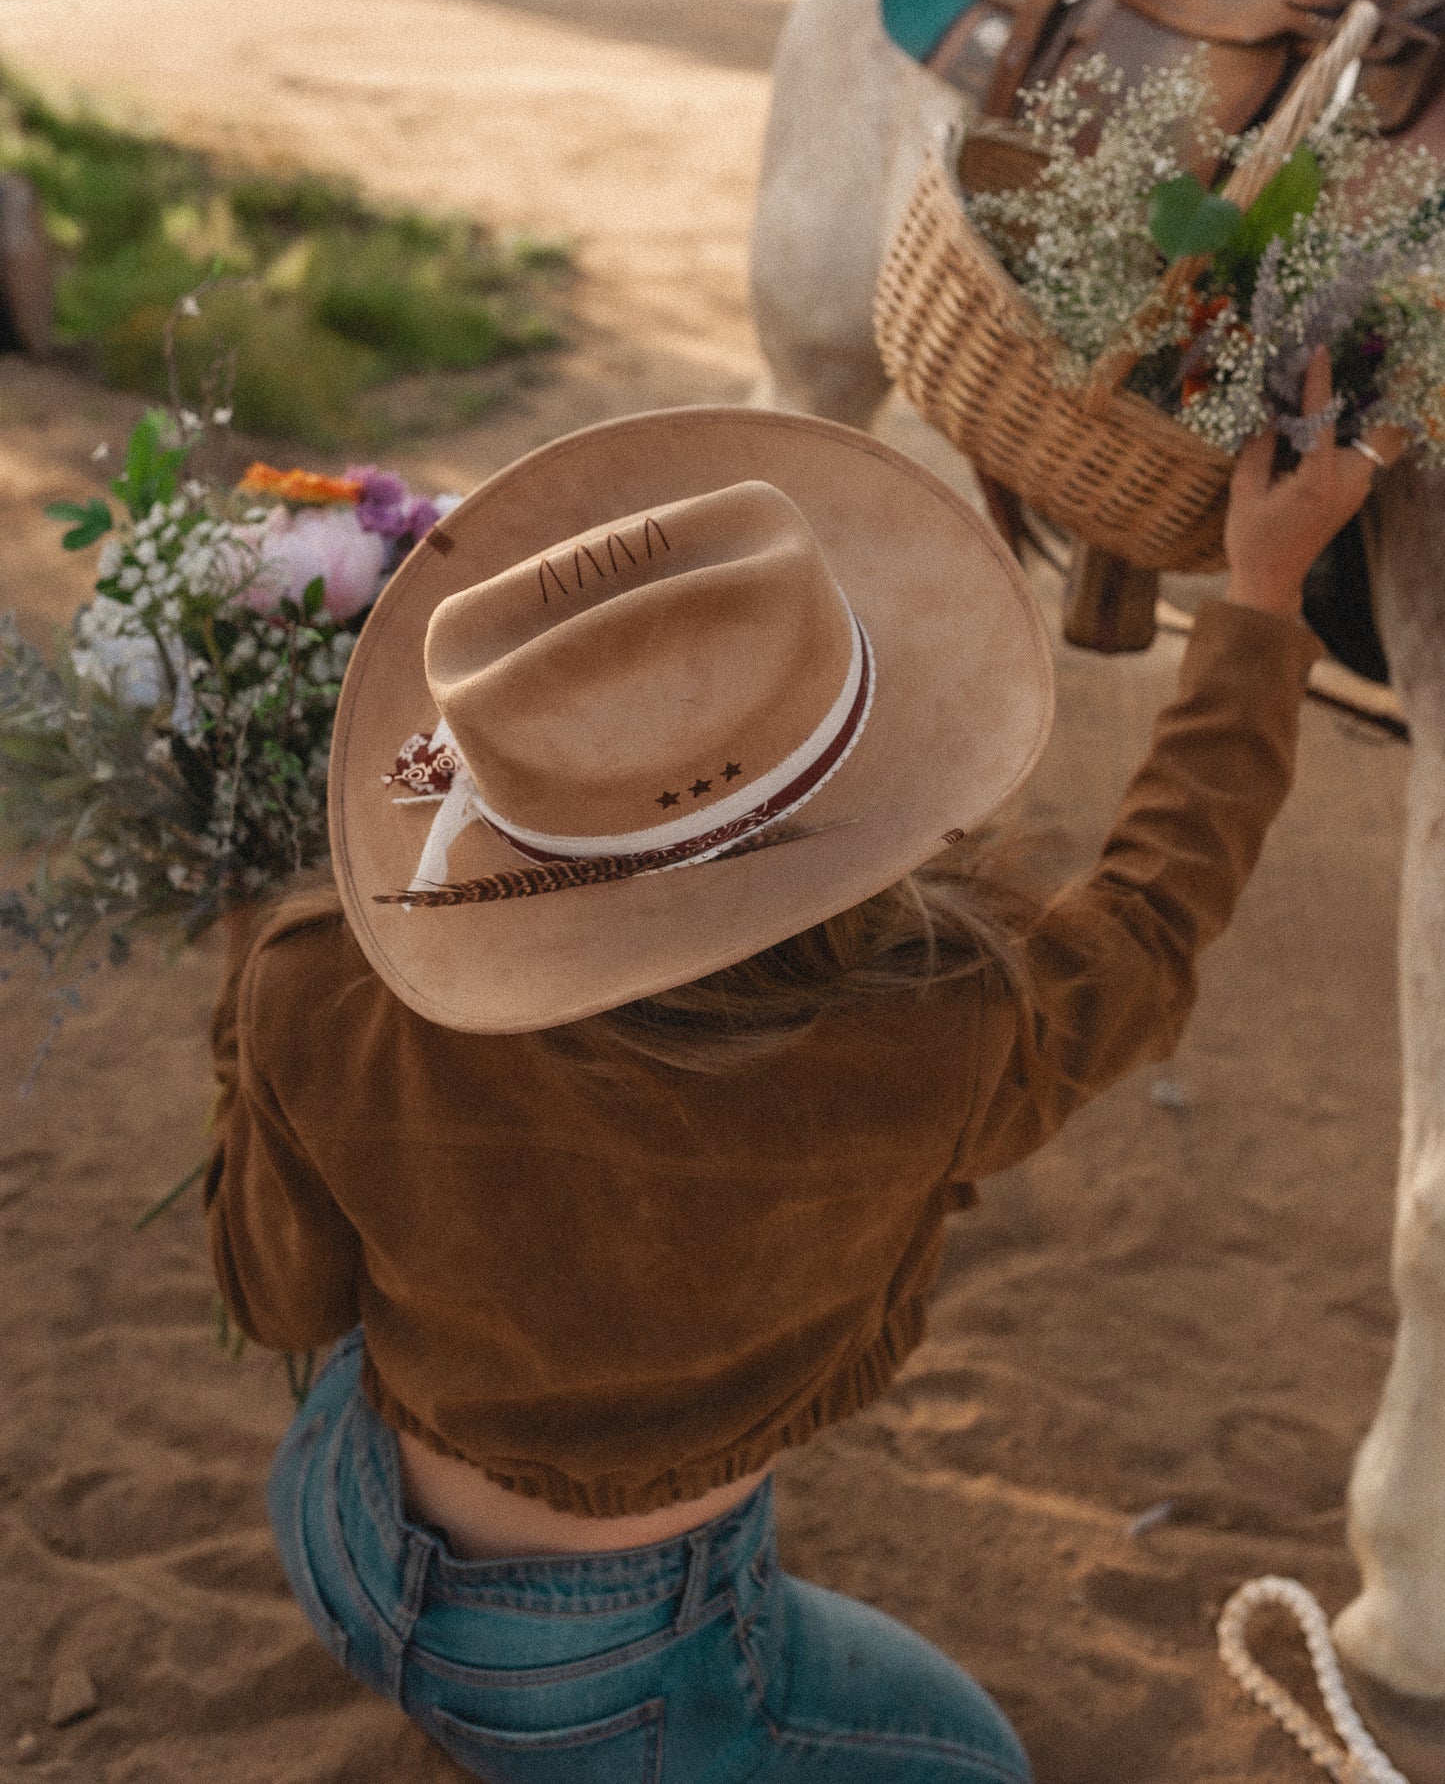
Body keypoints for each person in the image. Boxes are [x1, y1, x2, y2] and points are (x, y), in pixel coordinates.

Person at [206, 361, 1398, 1782]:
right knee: (972, 1762)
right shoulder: (944, 1035)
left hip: (341, 1527)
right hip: (619, 1664)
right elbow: (1150, 913)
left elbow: (278, 1297)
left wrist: (272, 1048)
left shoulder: (315, 983)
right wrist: (1258, 607)